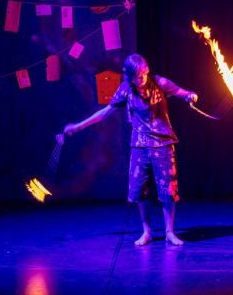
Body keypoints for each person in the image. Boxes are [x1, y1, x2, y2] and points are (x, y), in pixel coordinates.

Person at [63, 54, 197, 246]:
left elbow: (181, 92)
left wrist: (190, 96)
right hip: (139, 146)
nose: (141, 79)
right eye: (137, 77)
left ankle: (169, 232)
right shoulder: (126, 89)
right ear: (130, 77)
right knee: (139, 191)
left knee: (168, 191)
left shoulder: (159, 83)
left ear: (147, 70)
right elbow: (105, 112)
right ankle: (147, 231)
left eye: (143, 74)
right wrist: (79, 126)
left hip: (163, 145)